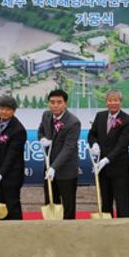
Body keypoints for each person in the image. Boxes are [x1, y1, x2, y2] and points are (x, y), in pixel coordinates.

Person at [87, 90, 129, 217]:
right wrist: (94, 144)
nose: (113, 103)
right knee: (105, 201)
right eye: (110, 100)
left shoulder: (128, 120)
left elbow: (122, 145)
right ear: (106, 102)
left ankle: (124, 228)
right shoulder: (100, 116)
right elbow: (92, 134)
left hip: (119, 168)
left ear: (120, 102)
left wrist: (106, 159)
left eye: (115, 100)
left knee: (122, 202)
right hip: (102, 169)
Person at [37, 89, 81, 220]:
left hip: (66, 170)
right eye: (52, 102)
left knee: (68, 207)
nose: (55, 105)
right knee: (51, 201)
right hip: (48, 168)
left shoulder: (73, 122)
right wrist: (42, 139)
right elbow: (40, 131)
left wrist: (54, 167)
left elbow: (68, 148)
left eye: (59, 102)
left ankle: (69, 234)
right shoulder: (46, 115)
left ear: (65, 104)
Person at [0, 95, 27, 220]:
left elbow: (12, 155)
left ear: (14, 111)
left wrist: (1, 174)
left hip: (12, 173)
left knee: (12, 203)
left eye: (7, 109)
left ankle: (16, 231)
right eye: (1, 108)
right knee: (1, 203)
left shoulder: (18, 130)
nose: (3, 112)